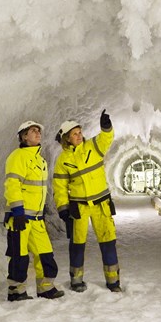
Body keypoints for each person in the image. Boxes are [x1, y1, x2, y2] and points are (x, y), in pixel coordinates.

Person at [53, 109, 121, 292]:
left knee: (108, 241)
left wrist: (106, 127)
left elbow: (107, 138)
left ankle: (113, 282)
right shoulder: (62, 161)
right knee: (77, 244)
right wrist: (63, 208)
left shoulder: (93, 146)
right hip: (78, 207)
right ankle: (76, 280)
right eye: (74, 134)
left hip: (101, 204)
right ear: (66, 138)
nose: (78, 136)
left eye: (79, 132)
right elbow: (59, 187)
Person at [3, 120, 64, 301]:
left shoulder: (40, 160)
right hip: (20, 218)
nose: (38, 133)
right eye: (33, 131)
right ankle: (16, 291)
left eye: (39, 131)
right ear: (23, 136)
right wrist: (18, 211)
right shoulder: (18, 157)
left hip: (36, 219)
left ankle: (45, 287)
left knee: (45, 254)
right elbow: (12, 184)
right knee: (19, 256)